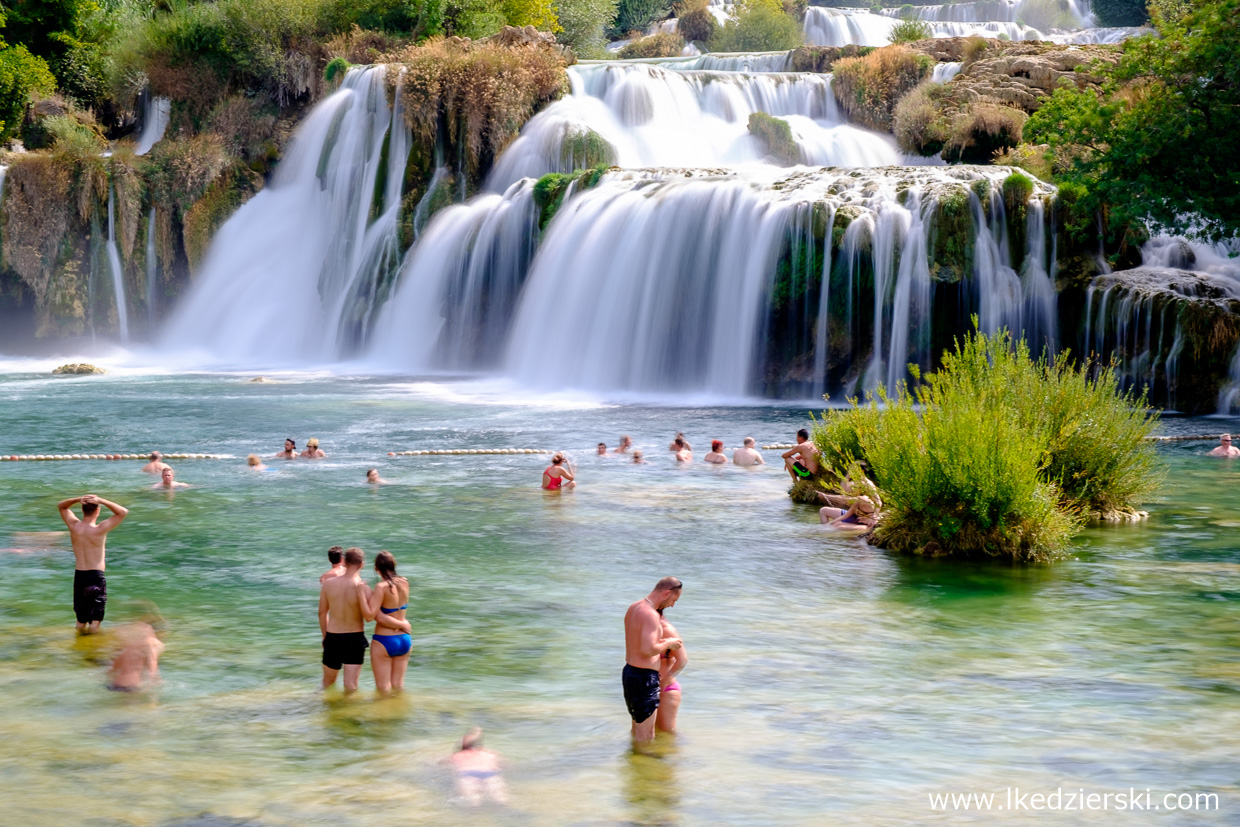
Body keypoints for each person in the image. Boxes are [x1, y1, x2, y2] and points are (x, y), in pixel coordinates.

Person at [623, 576, 684, 743]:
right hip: (644, 677)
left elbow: (639, 644)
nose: (672, 605)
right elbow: (648, 649)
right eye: (674, 600)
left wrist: (662, 643)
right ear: (666, 593)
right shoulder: (650, 614)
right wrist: (669, 643)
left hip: (630, 672)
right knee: (647, 736)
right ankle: (647, 765)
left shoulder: (633, 608)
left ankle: (636, 762)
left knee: (637, 730)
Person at [57, 494, 129, 634]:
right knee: (95, 622)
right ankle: (91, 654)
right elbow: (122, 512)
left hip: (79, 577)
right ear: (97, 511)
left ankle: (77, 649)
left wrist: (78, 499)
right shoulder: (99, 530)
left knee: (80, 621)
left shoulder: (74, 526)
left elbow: (61, 505)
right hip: (95, 577)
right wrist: (101, 500)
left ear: (82, 510)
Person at [361, 551, 413, 695]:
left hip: (385, 640)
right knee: (398, 686)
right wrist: (402, 625)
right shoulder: (405, 582)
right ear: (393, 565)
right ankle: (399, 715)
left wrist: (361, 593)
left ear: (377, 569)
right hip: (405, 640)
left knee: (383, 689)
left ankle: (383, 717)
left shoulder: (381, 587)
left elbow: (373, 616)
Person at [318, 547, 369, 693]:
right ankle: (348, 715)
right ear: (362, 565)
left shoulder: (328, 584)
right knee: (351, 687)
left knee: (327, 683)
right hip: (355, 638)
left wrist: (325, 637)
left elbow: (322, 613)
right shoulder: (364, 589)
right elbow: (370, 615)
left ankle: (326, 712)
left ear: (344, 562)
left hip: (333, 637)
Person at [448, 728, 508, 806]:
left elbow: (442, 765)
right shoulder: (489, 754)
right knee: (501, 801)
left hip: (468, 774)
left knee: (473, 803)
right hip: (491, 774)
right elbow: (506, 764)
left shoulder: (456, 756)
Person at [107, 621, 164, 692]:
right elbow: (152, 669)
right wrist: (157, 681)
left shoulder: (128, 646)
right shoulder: (149, 645)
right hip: (132, 687)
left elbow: (113, 668)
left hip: (114, 686)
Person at [817, 468, 882, 529]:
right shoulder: (855, 483)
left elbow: (878, 502)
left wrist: (875, 516)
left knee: (837, 526)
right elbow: (843, 488)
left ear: (861, 471)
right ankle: (824, 530)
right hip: (854, 513)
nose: (850, 472)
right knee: (823, 510)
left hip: (865, 518)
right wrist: (828, 525)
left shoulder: (868, 484)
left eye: (852, 470)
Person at [656, 613, 687, 734]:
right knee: (652, 732)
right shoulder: (648, 631)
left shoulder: (667, 630)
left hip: (667, 689)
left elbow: (682, 660)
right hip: (650, 688)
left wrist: (665, 681)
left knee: (667, 734)